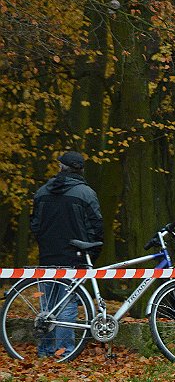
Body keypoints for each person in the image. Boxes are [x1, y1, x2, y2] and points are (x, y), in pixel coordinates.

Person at [29, 151, 103, 357]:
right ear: (81, 170)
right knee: (68, 305)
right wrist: (91, 252)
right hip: (74, 256)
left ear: (60, 167)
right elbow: (96, 227)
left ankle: (46, 350)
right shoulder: (86, 193)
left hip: (47, 256)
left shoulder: (42, 192)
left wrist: (44, 243)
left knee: (47, 307)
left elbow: (35, 224)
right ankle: (63, 352)